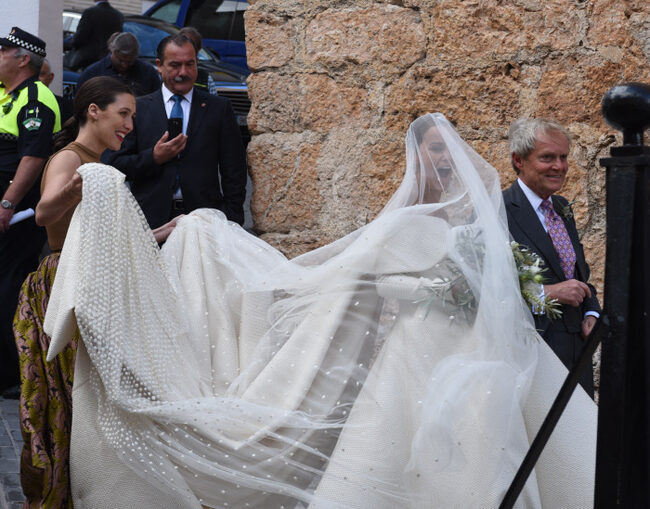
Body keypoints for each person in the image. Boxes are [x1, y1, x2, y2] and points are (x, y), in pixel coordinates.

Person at [45, 113, 596, 508]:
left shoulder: (472, 213)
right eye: (434, 150)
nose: (444, 159)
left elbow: (489, 273)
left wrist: (476, 288)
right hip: (413, 344)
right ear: (417, 156)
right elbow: (369, 278)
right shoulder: (402, 215)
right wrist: (438, 289)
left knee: (483, 434)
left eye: (448, 150)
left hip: (461, 345)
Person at [12, 76, 178, 508]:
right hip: (66, 288)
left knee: (88, 398)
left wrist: (166, 230)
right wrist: (70, 190)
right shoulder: (71, 158)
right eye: (123, 114)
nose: (129, 125)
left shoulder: (101, 163)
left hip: (93, 285)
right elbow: (44, 213)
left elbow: (113, 238)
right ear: (94, 111)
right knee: (70, 398)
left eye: (132, 117)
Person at [104, 34, 247, 229]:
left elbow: (234, 169)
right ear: (159, 65)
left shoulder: (218, 108)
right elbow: (115, 165)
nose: (183, 72)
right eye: (175, 65)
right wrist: (153, 157)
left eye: (190, 64)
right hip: (150, 222)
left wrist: (232, 218)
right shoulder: (139, 109)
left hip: (204, 221)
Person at [503, 118, 601, 397]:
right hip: (531, 356)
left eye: (564, 157)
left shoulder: (560, 207)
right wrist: (546, 294)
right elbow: (482, 290)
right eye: (547, 157)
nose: (559, 166)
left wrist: (592, 312)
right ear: (519, 160)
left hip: (577, 354)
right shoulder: (497, 210)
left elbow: (578, 277)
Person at [0, 27, 60, 398]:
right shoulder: (5, 93)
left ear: (23, 59)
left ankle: (10, 373)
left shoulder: (37, 98)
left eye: (3, 50)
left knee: (7, 285)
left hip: (16, 210)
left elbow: (33, 157)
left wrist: (7, 204)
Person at [77, 32, 161, 97]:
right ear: (112, 52)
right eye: (121, 60)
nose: (124, 65)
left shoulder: (148, 73)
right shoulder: (93, 73)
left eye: (129, 62)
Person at [64, 0, 123, 71]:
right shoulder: (118, 15)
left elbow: (79, 38)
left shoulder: (90, 12)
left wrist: (70, 43)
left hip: (87, 61)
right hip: (107, 61)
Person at [39, 58, 73, 123]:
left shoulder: (66, 107)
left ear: (50, 77)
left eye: (41, 74)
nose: (36, 79)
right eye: (32, 76)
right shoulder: (18, 102)